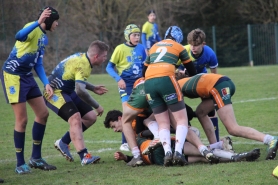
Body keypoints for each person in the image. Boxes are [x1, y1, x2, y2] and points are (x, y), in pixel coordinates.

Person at [0, 7, 59, 174]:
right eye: (56, 20)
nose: (57, 24)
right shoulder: (32, 28)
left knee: (43, 113)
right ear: (47, 20)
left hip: (27, 76)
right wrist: (37, 22)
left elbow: (38, 64)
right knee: (22, 119)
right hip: (13, 76)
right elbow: (18, 36)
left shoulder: (44, 38)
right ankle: (20, 164)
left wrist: (46, 82)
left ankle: (36, 158)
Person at [104, 110, 261, 166]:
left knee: (202, 152)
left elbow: (153, 119)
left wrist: (153, 135)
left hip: (165, 146)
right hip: (158, 160)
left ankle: (236, 156)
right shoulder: (131, 137)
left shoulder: (136, 121)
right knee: (202, 158)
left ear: (120, 118)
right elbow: (137, 158)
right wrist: (125, 158)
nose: (115, 130)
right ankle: (238, 156)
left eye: (114, 126)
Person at [177, 73, 278, 160]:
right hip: (224, 82)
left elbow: (183, 112)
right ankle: (215, 146)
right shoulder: (186, 82)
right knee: (201, 112)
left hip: (218, 87)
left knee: (232, 128)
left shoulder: (174, 88)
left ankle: (270, 139)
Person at [44, 40, 109, 165]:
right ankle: (84, 156)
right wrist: (97, 105)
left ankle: (63, 142)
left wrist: (93, 87)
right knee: (75, 118)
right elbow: (80, 90)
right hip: (54, 93)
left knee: (90, 117)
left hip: (67, 91)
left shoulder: (83, 57)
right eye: (104, 56)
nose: (105, 59)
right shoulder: (83, 64)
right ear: (96, 56)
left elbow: (79, 81)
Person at [143, 26, 197, 166]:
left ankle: (167, 152)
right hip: (166, 79)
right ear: (178, 38)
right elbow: (192, 70)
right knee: (181, 120)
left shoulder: (154, 46)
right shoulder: (179, 47)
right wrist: (182, 73)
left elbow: (144, 69)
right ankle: (178, 153)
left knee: (163, 123)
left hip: (149, 82)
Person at [106, 24, 147, 152]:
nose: (137, 37)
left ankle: (142, 136)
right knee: (127, 112)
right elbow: (109, 67)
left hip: (139, 83)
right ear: (127, 36)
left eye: (138, 35)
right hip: (126, 85)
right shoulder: (120, 49)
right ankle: (125, 142)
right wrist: (119, 79)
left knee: (143, 111)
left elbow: (146, 65)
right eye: (134, 35)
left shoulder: (141, 48)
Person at [178, 28, 219, 143]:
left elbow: (214, 76)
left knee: (210, 110)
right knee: (178, 106)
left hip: (202, 79)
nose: (193, 48)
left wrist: (212, 93)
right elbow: (172, 68)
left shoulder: (210, 53)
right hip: (183, 80)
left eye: (196, 45)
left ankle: (215, 142)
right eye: (191, 45)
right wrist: (179, 73)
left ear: (203, 44)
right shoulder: (183, 50)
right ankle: (185, 135)